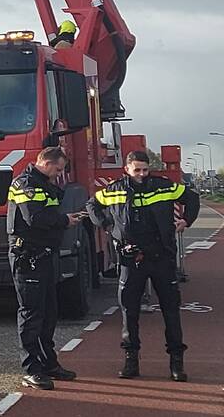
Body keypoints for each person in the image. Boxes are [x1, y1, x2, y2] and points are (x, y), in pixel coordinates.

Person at [86, 150, 199, 381]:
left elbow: (192, 198)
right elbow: (92, 205)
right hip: (131, 260)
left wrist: (185, 220)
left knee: (171, 310)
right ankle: (131, 362)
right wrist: (108, 226)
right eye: (137, 170)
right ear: (126, 169)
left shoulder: (163, 186)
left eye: (145, 170)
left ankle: (176, 363)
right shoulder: (115, 189)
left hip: (161, 257)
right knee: (129, 310)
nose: (141, 174)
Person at [7, 146, 83, 390]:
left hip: (45, 255)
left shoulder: (44, 184)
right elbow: (34, 218)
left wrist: (66, 217)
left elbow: (49, 211)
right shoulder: (24, 184)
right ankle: (31, 369)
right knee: (31, 314)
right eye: (57, 169)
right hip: (27, 257)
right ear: (45, 162)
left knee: (49, 311)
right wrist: (64, 221)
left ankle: (49, 363)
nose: (59, 175)